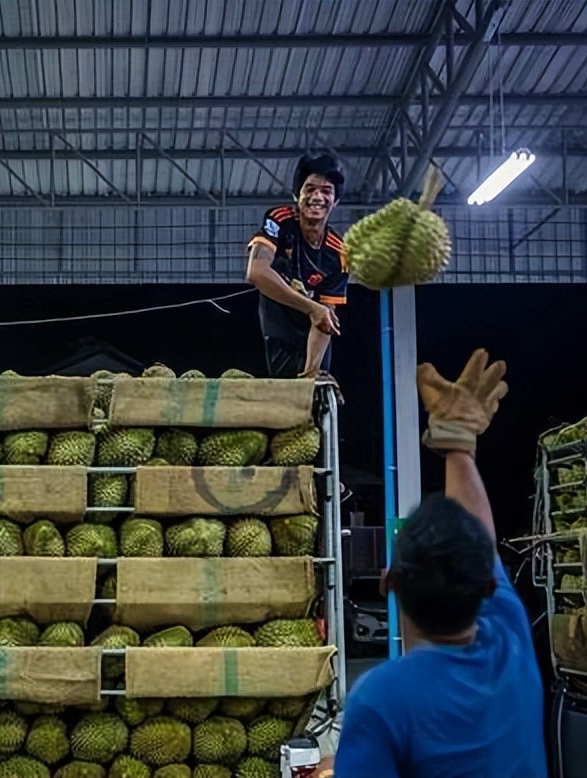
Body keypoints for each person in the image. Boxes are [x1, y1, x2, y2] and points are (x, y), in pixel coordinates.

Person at [332, 349, 547, 778]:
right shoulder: (511, 644)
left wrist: (459, 446)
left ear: (388, 582)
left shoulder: (382, 698)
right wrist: (460, 447)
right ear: (487, 588)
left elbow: (480, 546)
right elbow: (481, 542)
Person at [245, 152, 348, 378]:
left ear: (336, 201)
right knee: (283, 387)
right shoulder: (279, 220)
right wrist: (311, 307)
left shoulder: (338, 252)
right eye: (310, 189)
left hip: (312, 332)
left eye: (326, 191)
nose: (317, 197)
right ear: (296, 195)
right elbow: (256, 272)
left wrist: (311, 373)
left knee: (317, 387)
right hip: (280, 322)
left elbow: (325, 317)